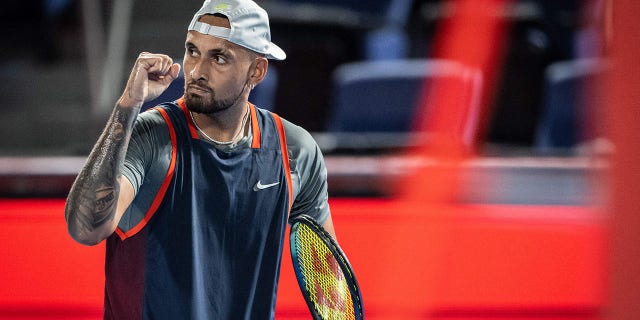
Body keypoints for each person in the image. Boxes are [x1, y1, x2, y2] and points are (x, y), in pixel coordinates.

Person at [64, 0, 335, 318]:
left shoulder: (294, 151)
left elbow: (328, 283)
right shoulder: (151, 136)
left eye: (218, 57)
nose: (197, 71)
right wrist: (128, 104)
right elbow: (86, 229)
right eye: (193, 51)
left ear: (256, 71)